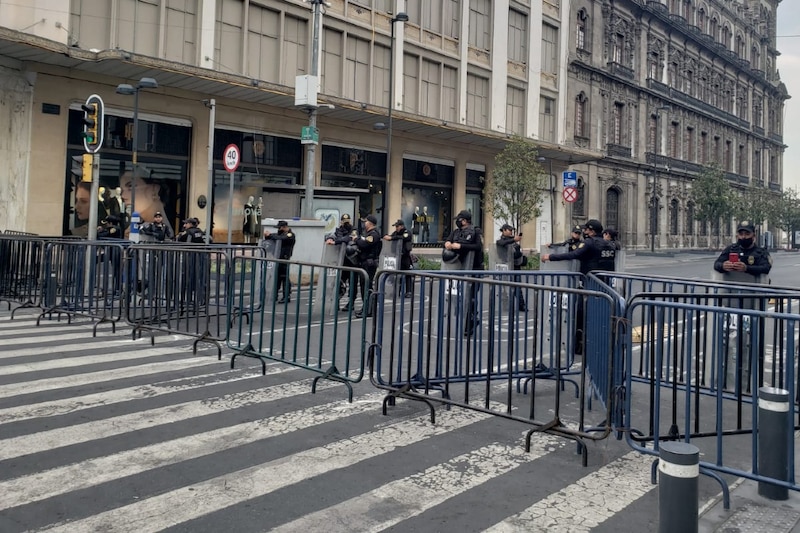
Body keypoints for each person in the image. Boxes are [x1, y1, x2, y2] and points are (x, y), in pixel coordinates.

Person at [445, 210, 484, 336]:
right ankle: (467, 322)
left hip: (475, 268)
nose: (457, 222)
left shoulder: (476, 231)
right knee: (460, 297)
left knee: (471, 297)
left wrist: (461, 246)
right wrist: (447, 244)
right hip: (460, 268)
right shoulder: (456, 232)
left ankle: (471, 321)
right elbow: (449, 240)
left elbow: (478, 246)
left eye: (459, 219)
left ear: (465, 220)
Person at [541, 219, 607, 274]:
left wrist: (551, 257)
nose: (584, 232)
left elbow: (574, 254)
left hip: (591, 279)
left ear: (592, 232)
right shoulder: (608, 244)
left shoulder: (589, 242)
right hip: (606, 280)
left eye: (586, 230)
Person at [119, 169, 172, 236]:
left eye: (131, 186)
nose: (123, 196)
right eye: (122, 190)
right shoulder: (137, 224)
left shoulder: (163, 228)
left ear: (154, 189)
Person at [326, 214, 359, 307]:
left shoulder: (354, 230)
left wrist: (336, 241)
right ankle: (337, 301)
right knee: (339, 282)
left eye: (347, 221)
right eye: (344, 222)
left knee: (353, 284)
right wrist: (330, 239)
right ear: (341, 222)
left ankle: (351, 302)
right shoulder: (338, 230)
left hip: (353, 262)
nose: (346, 223)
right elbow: (332, 236)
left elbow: (349, 238)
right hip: (342, 261)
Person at [354, 214, 382, 318]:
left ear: (370, 223)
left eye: (365, 221)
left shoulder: (373, 235)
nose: (364, 223)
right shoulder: (369, 234)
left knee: (366, 286)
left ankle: (368, 309)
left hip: (369, 263)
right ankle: (367, 308)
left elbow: (364, 244)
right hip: (365, 263)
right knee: (364, 286)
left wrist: (357, 240)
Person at [263, 220, 296, 303]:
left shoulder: (290, 235)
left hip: (284, 258)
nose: (278, 230)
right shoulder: (278, 235)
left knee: (284, 277)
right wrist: (267, 236)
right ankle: (274, 295)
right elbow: (273, 239)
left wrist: (270, 235)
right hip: (277, 258)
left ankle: (286, 296)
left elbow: (281, 239)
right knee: (276, 277)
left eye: (280, 228)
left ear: (284, 227)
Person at [496, 223, 527, 312]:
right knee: (506, 287)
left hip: (515, 265)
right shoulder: (501, 240)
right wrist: (513, 240)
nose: (511, 232)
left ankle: (521, 305)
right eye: (509, 230)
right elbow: (501, 243)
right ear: (504, 230)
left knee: (517, 286)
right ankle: (506, 305)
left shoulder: (512, 239)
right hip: (506, 265)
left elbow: (517, 251)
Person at [383, 219, 413, 297]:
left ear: (402, 226)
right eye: (395, 226)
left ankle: (408, 291)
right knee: (396, 275)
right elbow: (391, 237)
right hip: (396, 257)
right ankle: (396, 290)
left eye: (397, 226)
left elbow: (404, 237)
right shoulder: (395, 233)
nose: (396, 228)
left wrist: (392, 238)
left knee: (407, 274)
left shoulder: (406, 232)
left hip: (405, 257)